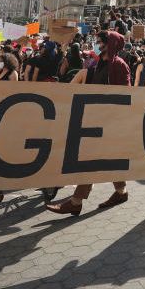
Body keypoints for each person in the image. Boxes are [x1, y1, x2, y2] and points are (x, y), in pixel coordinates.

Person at [46, 30, 133, 216]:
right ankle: (121, 191)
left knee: (91, 160)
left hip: (109, 121)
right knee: (107, 160)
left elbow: (126, 94)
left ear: (111, 44)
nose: (98, 44)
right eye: (98, 40)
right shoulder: (98, 63)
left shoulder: (119, 65)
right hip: (95, 117)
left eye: (101, 41)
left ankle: (76, 201)